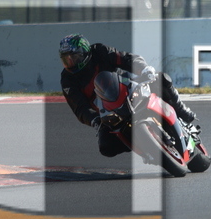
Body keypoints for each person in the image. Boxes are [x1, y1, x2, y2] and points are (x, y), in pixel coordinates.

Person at [59, 33, 196, 158]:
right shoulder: (67, 80)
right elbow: (79, 108)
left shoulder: (100, 51)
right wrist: (94, 120)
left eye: (74, 57)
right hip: (107, 112)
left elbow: (125, 58)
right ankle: (145, 146)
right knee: (106, 147)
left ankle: (181, 111)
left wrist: (144, 69)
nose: (71, 63)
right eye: (66, 59)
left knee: (161, 79)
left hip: (128, 87)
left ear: (84, 52)